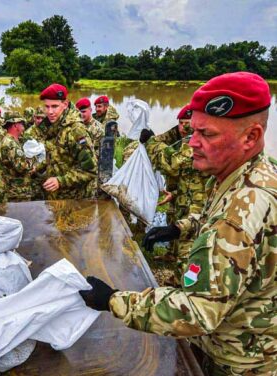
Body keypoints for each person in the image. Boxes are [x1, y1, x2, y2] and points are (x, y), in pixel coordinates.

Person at [80, 72, 276, 375]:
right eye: (193, 131)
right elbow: (224, 222)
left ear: (251, 136)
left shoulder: (239, 213)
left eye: (207, 135)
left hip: (238, 361)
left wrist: (114, 301)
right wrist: (181, 227)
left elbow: (198, 312)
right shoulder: (254, 174)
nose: (192, 143)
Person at [141, 106, 211, 270]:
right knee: (173, 223)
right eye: (180, 123)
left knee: (187, 244)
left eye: (187, 124)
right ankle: (171, 255)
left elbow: (172, 164)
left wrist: (151, 141)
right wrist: (173, 193)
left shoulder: (196, 143)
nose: (182, 127)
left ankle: (181, 281)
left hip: (197, 204)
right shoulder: (183, 138)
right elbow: (187, 176)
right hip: (183, 196)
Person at [38, 84, 97, 200]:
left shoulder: (76, 131)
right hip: (57, 198)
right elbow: (56, 156)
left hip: (74, 200)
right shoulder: (53, 126)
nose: (50, 111)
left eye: (54, 106)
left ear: (65, 104)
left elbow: (91, 171)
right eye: (47, 106)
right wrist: (38, 167)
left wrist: (61, 181)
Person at [0, 111, 34, 201]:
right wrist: (32, 161)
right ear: (15, 125)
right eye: (21, 123)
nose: (23, 127)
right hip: (17, 193)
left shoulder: (9, 141)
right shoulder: (11, 144)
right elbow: (21, 167)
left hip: (15, 190)